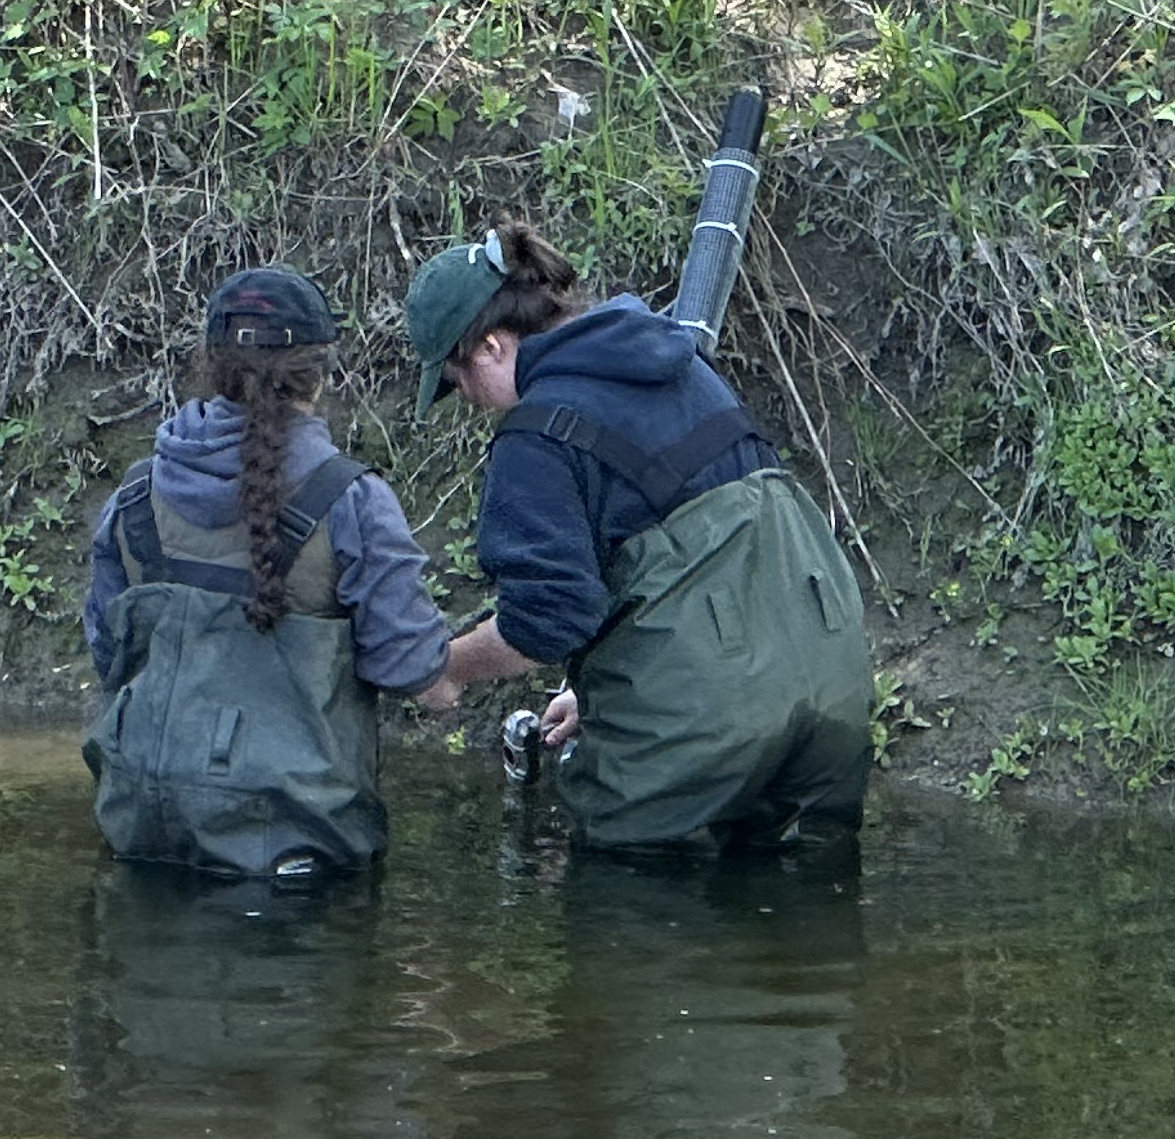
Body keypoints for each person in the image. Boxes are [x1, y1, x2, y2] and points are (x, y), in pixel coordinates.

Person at [406, 218, 869, 852]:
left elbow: (546, 623)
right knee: (810, 927)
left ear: (490, 346)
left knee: (633, 928)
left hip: (707, 732)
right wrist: (589, 692)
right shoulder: (677, 365)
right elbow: (688, 558)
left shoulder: (536, 437)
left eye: (458, 381)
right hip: (832, 695)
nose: (470, 400)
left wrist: (445, 667)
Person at [82, 265, 452, 879]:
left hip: (140, 831)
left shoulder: (135, 494)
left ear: (210, 364)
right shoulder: (352, 501)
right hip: (293, 850)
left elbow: (105, 654)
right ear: (320, 377)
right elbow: (418, 675)